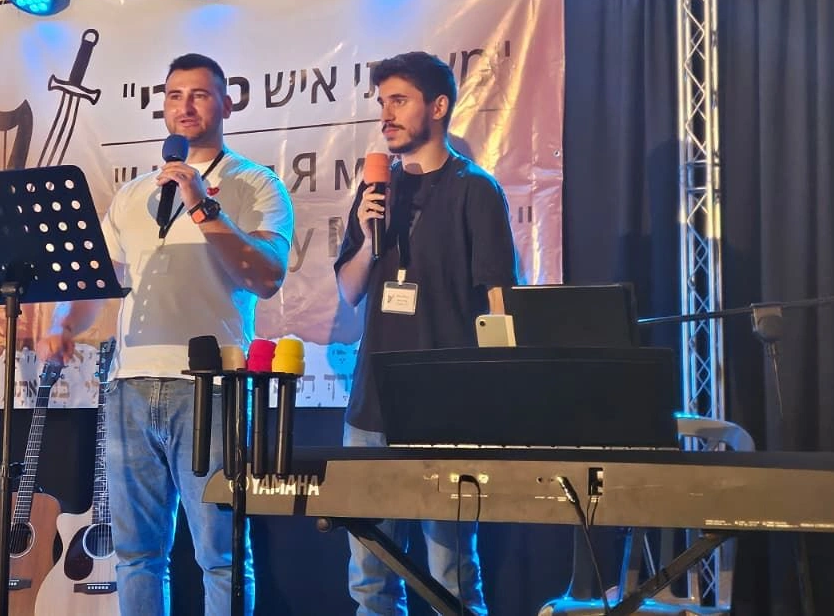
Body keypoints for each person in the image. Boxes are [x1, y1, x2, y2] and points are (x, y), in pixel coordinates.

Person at [44, 53, 293, 616]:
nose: (185, 105)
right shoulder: (131, 195)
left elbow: (268, 275)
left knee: (221, 551)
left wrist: (203, 207)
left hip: (212, 387)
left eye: (200, 94)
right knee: (135, 553)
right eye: (175, 94)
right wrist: (64, 324)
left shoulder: (254, 183)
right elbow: (101, 284)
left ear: (227, 104)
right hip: (130, 385)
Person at [334, 51, 519, 615]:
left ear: (437, 107)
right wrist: (370, 235)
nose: (385, 114)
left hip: (447, 411)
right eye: (382, 102)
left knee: (451, 575)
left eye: (399, 100)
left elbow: (498, 297)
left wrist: (496, 396)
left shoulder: (475, 189)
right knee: (370, 574)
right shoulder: (377, 189)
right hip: (373, 407)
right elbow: (350, 289)